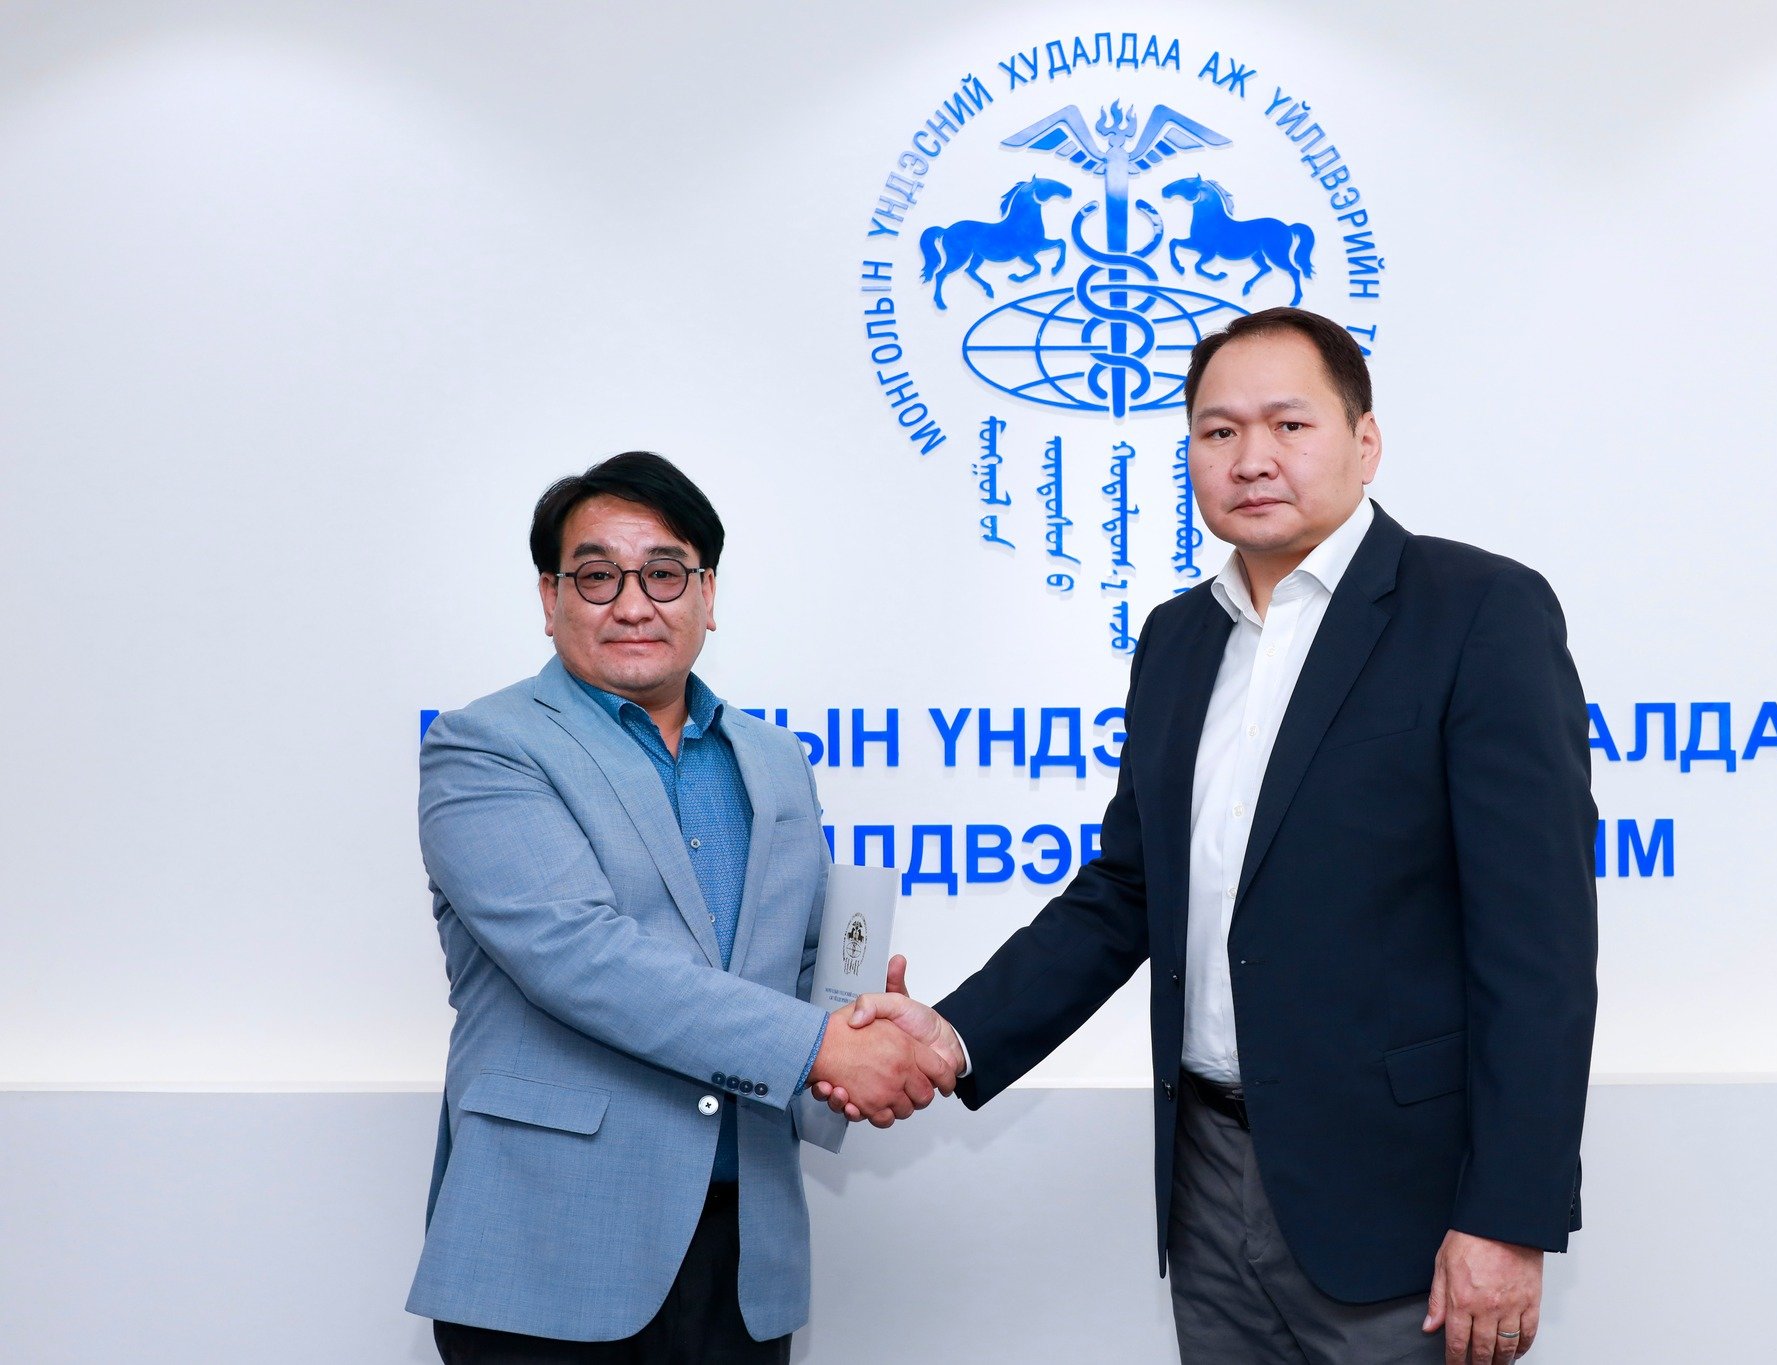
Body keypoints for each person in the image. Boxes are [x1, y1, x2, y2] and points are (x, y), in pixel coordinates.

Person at [822, 309, 1599, 1365]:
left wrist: (1506, 1215)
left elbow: (1538, 943)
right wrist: (952, 1034)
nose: (1252, 458)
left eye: (1289, 424)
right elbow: (1126, 892)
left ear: (1365, 441)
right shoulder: (1178, 638)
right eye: (1218, 431)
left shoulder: (1477, 611)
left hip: (1402, 1200)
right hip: (1205, 1178)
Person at [408, 452, 954, 1363]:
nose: (633, 604)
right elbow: (581, 957)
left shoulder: (774, 759)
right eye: (597, 576)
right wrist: (825, 1048)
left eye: (664, 573)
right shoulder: (485, 747)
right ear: (550, 597)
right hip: (550, 1247)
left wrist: (865, 1019)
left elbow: (805, 959)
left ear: (707, 593)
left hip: (744, 1252)